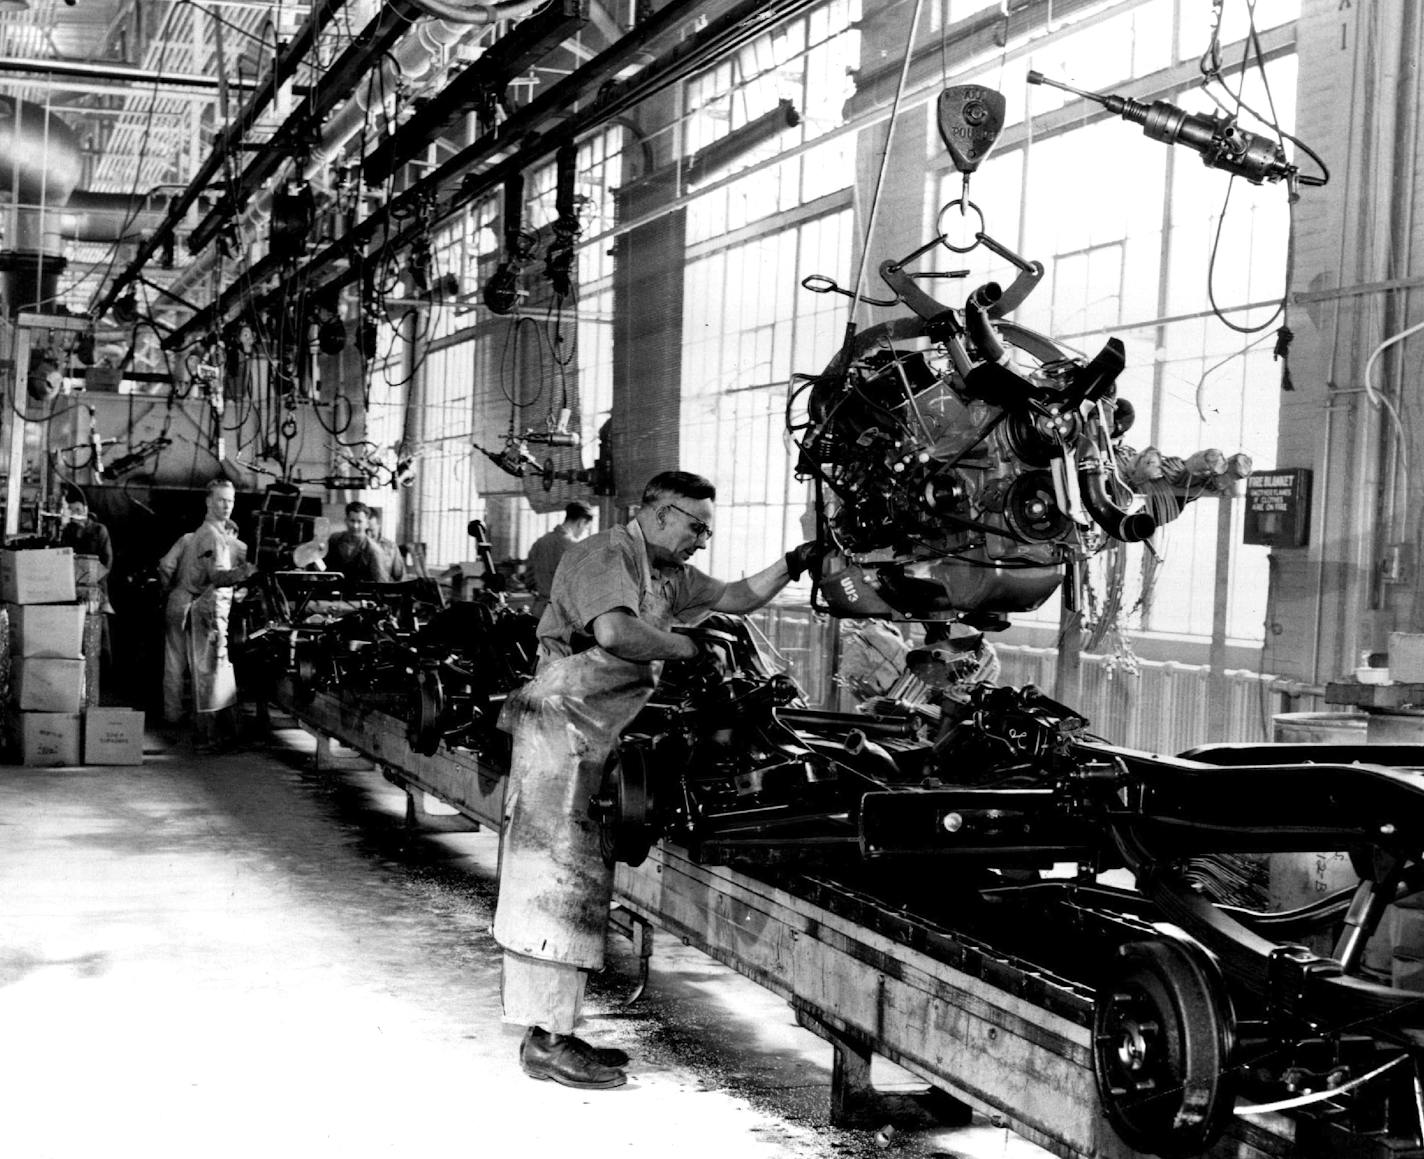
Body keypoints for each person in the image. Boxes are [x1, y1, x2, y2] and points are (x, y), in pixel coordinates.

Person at [492, 470, 823, 1090]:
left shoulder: (670, 572)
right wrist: (691, 649)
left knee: (579, 883)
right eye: (698, 525)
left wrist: (797, 560)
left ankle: (553, 1029)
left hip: (594, 734)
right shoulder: (605, 553)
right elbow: (615, 634)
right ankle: (544, 1042)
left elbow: (740, 596)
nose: (704, 538)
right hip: (559, 731)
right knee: (554, 882)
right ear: (662, 512)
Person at [172, 479, 255, 751]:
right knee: (207, 676)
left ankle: (220, 735)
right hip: (205, 611)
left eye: (230, 500)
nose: (226, 506)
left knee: (215, 674)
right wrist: (247, 572)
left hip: (213, 611)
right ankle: (205, 739)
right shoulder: (210, 535)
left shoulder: (217, 535)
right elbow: (217, 577)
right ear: (208, 501)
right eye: (220, 500)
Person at [524, 500, 595, 618]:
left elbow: (529, 581)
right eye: (586, 528)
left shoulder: (539, 543)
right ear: (582, 523)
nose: (583, 532)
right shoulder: (576, 548)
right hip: (565, 616)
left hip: (540, 613)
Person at [326, 501, 391, 582]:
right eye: (352, 521)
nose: (355, 526)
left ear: (367, 524)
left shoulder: (374, 551)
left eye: (359, 522)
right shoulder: (334, 540)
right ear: (346, 520)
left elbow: (381, 584)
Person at [368, 510, 406, 581]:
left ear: (379, 526)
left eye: (371, 530)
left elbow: (400, 577)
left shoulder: (391, 547)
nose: (368, 535)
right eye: (365, 531)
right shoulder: (353, 548)